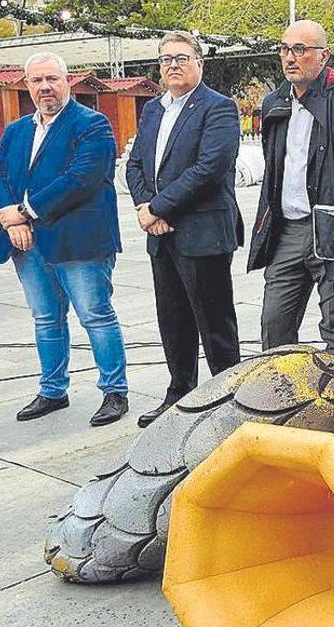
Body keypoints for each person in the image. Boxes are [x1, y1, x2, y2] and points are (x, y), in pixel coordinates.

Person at [0, 51, 128, 426]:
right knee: (46, 318)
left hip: (78, 241)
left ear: (68, 82)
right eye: (37, 81)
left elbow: (80, 179)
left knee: (95, 315)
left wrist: (26, 212)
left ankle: (114, 392)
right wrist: (7, 217)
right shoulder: (17, 130)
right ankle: (52, 390)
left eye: (52, 79)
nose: (45, 87)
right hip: (27, 243)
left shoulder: (92, 125)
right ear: (27, 85)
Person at [125, 31, 243, 428]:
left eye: (181, 57)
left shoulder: (219, 108)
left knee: (215, 325)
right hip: (161, 236)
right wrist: (146, 208)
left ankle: (229, 402)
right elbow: (135, 164)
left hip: (203, 234)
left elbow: (209, 169)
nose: (172, 65)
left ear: (199, 63)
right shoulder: (153, 110)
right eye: (165, 59)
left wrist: (158, 206)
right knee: (172, 320)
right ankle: (179, 396)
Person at [247, 20, 334, 366]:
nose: (291, 58)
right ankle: (278, 406)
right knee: (274, 326)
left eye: (300, 50)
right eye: (285, 49)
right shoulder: (274, 103)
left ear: (323, 55)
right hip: (287, 230)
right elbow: (274, 168)